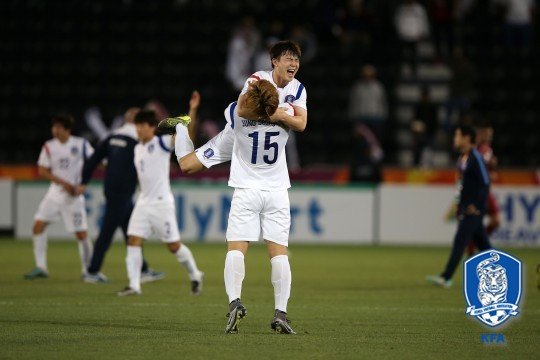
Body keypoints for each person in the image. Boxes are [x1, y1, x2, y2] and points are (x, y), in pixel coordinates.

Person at [162, 41, 307, 334]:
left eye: (296, 59)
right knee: (278, 252)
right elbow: (283, 119)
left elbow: (239, 110)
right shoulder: (263, 81)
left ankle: (238, 304)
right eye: (287, 58)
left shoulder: (291, 88)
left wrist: (271, 109)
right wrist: (279, 112)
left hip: (245, 169)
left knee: (188, 166)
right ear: (274, 61)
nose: (293, 63)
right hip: (269, 182)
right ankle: (280, 313)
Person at [117, 110, 204, 297]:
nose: (139, 130)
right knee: (133, 240)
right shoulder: (136, 148)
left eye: (142, 126)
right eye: (137, 126)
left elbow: (187, 139)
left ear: (151, 128)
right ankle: (134, 285)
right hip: (143, 202)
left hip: (161, 203)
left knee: (174, 246)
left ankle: (195, 273)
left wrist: (192, 113)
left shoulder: (161, 143)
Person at [78, 108, 163, 284]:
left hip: (112, 189)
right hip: (123, 192)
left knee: (130, 230)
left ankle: (143, 269)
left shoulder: (112, 137)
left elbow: (93, 160)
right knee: (107, 231)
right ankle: (92, 271)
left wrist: (83, 182)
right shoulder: (138, 141)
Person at [24, 114, 94, 280]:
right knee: (38, 226)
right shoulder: (49, 146)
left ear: (67, 129)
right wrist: (63, 184)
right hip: (55, 194)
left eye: (58, 128)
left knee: (81, 234)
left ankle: (89, 270)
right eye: (53, 127)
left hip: (74, 197)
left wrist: (84, 183)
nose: (55, 131)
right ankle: (41, 267)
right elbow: (42, 170)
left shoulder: (81, 144)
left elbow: (94, 163)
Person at [427, 124, 492, 288]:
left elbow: (485, 183)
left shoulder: (476, 157)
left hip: (474, 210)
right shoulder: (462, 159)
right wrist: (459, 204)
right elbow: (461, 185)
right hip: (466, 208)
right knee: (483, 245)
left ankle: (446, 277)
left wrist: (476, 206)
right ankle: (504, 272)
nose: (454, 139)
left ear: (466, 138)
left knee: (460, 240)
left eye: (457, 136)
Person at [465, 120, 500, 256]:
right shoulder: (475, 150)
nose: (489, 136)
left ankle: (475, 244)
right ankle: (472, 251)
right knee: (474, 223)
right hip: (477, 191)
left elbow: (490, 170)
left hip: (486, 191)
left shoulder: (487, 149)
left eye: (491, 134)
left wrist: (492, 170)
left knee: (496, 221)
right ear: (480, 134)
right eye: (487, 133)